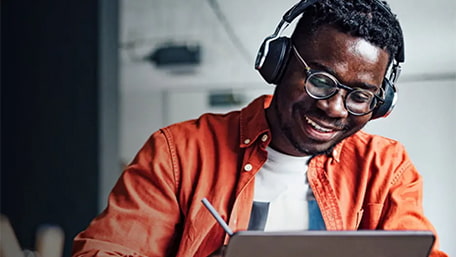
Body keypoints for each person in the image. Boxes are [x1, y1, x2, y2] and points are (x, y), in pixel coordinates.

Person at [72, 0, 448, 256]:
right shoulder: (178, 151)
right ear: (278, 64)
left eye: (360, 96)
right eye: (319, 81)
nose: (333, 108)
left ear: (380, 103)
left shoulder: (386, 168)